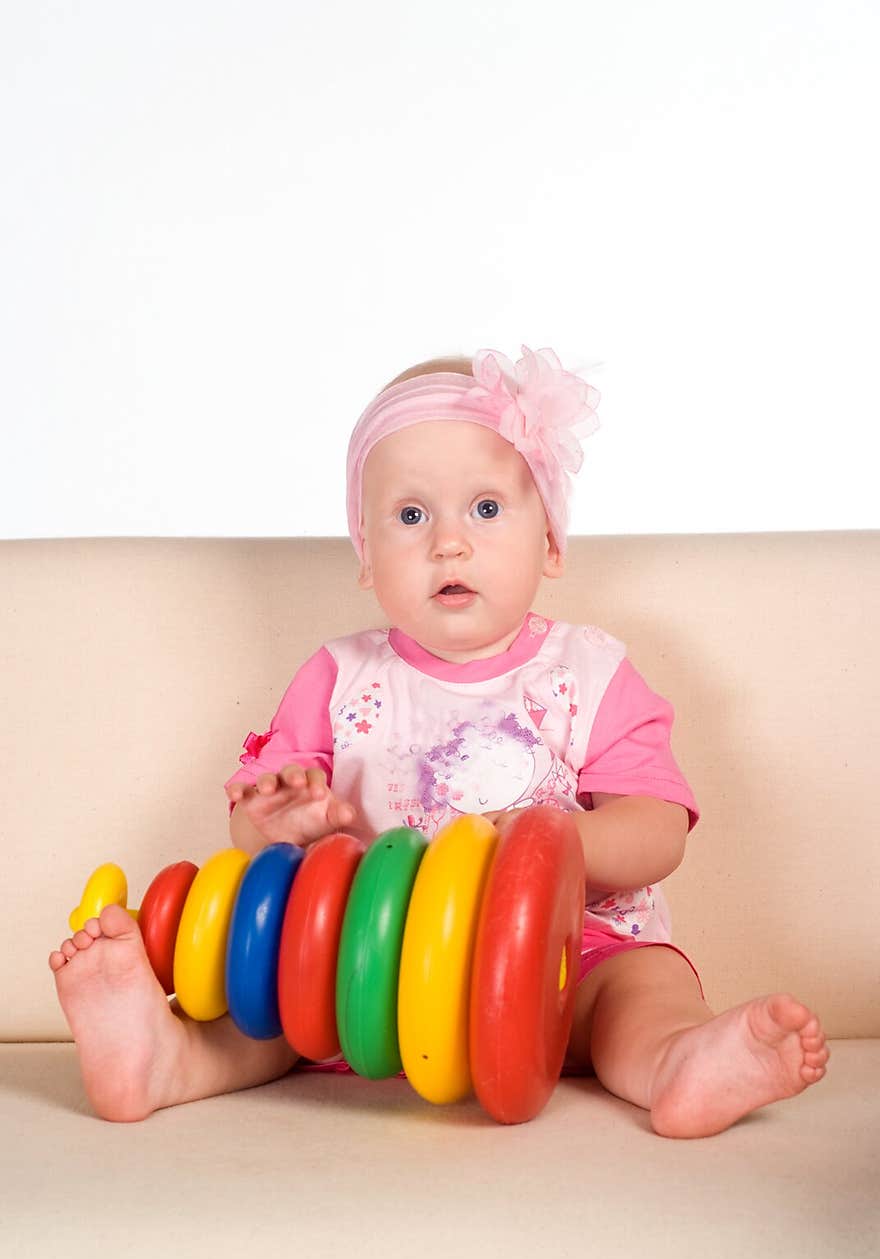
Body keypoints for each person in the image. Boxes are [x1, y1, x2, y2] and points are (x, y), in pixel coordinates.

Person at [49, 344, 829, 1132]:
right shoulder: (337, 676)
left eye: (486, 509)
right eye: (411, 515)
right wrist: (273, 822)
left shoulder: (590, 671)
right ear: (366, 556)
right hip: (371, 963)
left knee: (638, 989)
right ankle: (165, 1057)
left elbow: (659, 829)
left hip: (565, 953)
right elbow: (255, 820)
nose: (448, 543)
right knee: (278, 998)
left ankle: (678, 1062)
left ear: (550, 541)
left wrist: (552, 842)